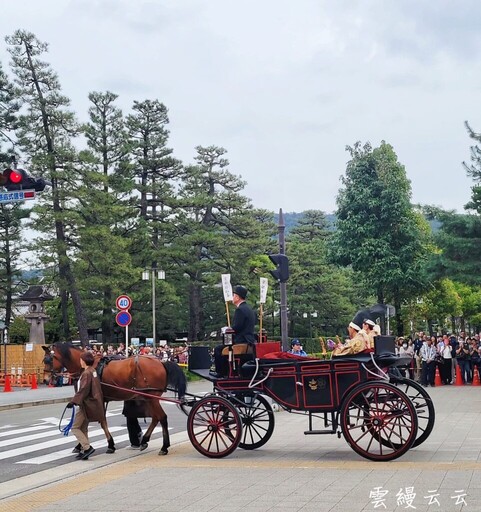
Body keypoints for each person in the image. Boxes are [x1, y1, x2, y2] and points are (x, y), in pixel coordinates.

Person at [66, 351, 105, 460]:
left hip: (86, 404)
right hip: (92, 403)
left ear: (84, 361)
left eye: (81, 359)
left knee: (75, 427)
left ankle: (87, 448)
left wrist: (73, 401)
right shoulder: (93, 371)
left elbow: (83, 389)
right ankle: (84, 449)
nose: (80, 361)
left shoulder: (86, 373)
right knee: (83, 428)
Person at [211, 285, 256, 377]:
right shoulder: (249, 309)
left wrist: (227, 329)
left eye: (233, 295)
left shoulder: (240, 310)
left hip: (241, 340)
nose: (232, 297)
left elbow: (236, 327)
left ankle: (221, 372)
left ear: (237, 297)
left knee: (218, 349)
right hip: (249, 340)